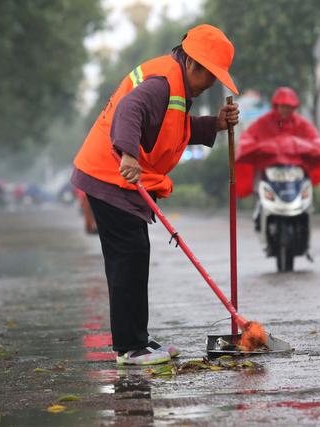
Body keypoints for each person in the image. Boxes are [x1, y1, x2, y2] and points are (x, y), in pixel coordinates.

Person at [72, 24, 240, 366]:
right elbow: (129, 112)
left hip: (118, 178)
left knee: (135, 256)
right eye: (210, 76)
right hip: (110, 174)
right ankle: (129, 348)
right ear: (193, 63)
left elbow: (173, 128)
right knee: (128, 257)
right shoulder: (163, 81)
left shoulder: (177, 86)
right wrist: (129, 153)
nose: (211, 83)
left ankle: (138, 339)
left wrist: (216, 124)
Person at [239, 87, 320, 231]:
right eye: (283, 106)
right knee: (259, 179)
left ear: (294, 107)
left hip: (294, 172)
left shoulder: (301, 124)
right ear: (276, 105)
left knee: (306, 185)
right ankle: (260, 207)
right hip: (271, 170)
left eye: (289, 107)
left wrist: (312, 147)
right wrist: (255, 147)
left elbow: (315, 139)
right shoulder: (264, 122)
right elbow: (248, 137)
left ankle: (305, 213)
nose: (286, 110)